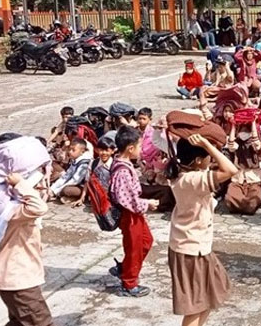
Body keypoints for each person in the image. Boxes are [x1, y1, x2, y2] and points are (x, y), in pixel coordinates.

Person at [166, 134, 238, 326]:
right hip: (191, 249)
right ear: (198, 160)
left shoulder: (181, 173)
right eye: (208, 156)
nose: (211, 159)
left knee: (209, 297)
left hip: (192, 244)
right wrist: (207, 144)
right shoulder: (194, 179)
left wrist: (207, 146)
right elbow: (231, 170)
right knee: (196, 306)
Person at [0, 171, 52, 326]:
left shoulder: (10, 207)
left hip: (13, 276)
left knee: (19, 322)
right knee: (41, 322)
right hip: (18, 279)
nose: (42, 187)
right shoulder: (13, 211)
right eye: (36, 184)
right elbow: (39, 208)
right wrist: (20, 183)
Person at [110, 126, 155, 297]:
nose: (141, 149)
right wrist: (147, 204)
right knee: (135, 247)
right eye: (139, 146)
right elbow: (127, 199)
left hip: (135, 214)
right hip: (130, 215)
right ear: (130, 148)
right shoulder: (122, 171)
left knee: (146, 241)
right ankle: (129, 283)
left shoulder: (124, 164)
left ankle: (125, 267)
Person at [224, 119, 261, 215]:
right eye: (242, 130)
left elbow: (255, 140)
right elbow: (230, 144)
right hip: (238, 180)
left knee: (253, 202)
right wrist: (234, 125)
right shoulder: (237, 144)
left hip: (253, 181)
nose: (244, 133)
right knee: (230, 199)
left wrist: (253, 122)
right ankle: (241, 206)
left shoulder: (254, 146)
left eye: (246, 131)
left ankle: (245, 206)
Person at [74, 136, 116, 208]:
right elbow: (87, 180)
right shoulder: (93, 163)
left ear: (112, 151)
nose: (103, 153)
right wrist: (82, 198)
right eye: (101, 150)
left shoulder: (115, 165)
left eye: (107, 150)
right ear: (97, 150)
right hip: (97, 194)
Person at [49, 138, 91, 203]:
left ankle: (77, 197)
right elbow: (66, 176)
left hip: (83, 187)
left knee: (66, 190)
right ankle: (67, 197)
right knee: (59, 180)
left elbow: (75, 180)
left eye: (73, 150)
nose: (70, 152)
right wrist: (52, 189)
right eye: (70, 149)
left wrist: (56, 191)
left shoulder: (84, 163)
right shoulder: (75, 159)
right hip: (74, 184)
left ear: (82, 152)